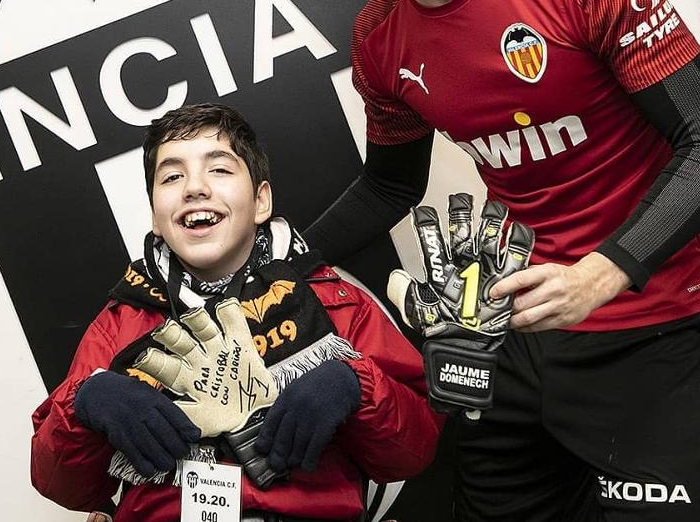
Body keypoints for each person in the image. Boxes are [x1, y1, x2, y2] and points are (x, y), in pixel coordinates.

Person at [305, 0, 700, 522]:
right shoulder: (378, 40)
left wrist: (602, 273)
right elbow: (391, 188)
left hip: (652, 325)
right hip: (513, 333)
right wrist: (274, 260)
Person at [31, 103, 442, 522]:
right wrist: (87, 402)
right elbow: (61, 484)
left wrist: (353, 384)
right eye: (172, 176)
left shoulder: (331, 299)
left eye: (220, 170)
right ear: (155, 214)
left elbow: (411, 454)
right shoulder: (123, 321)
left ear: (261, 201)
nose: (194, 188)